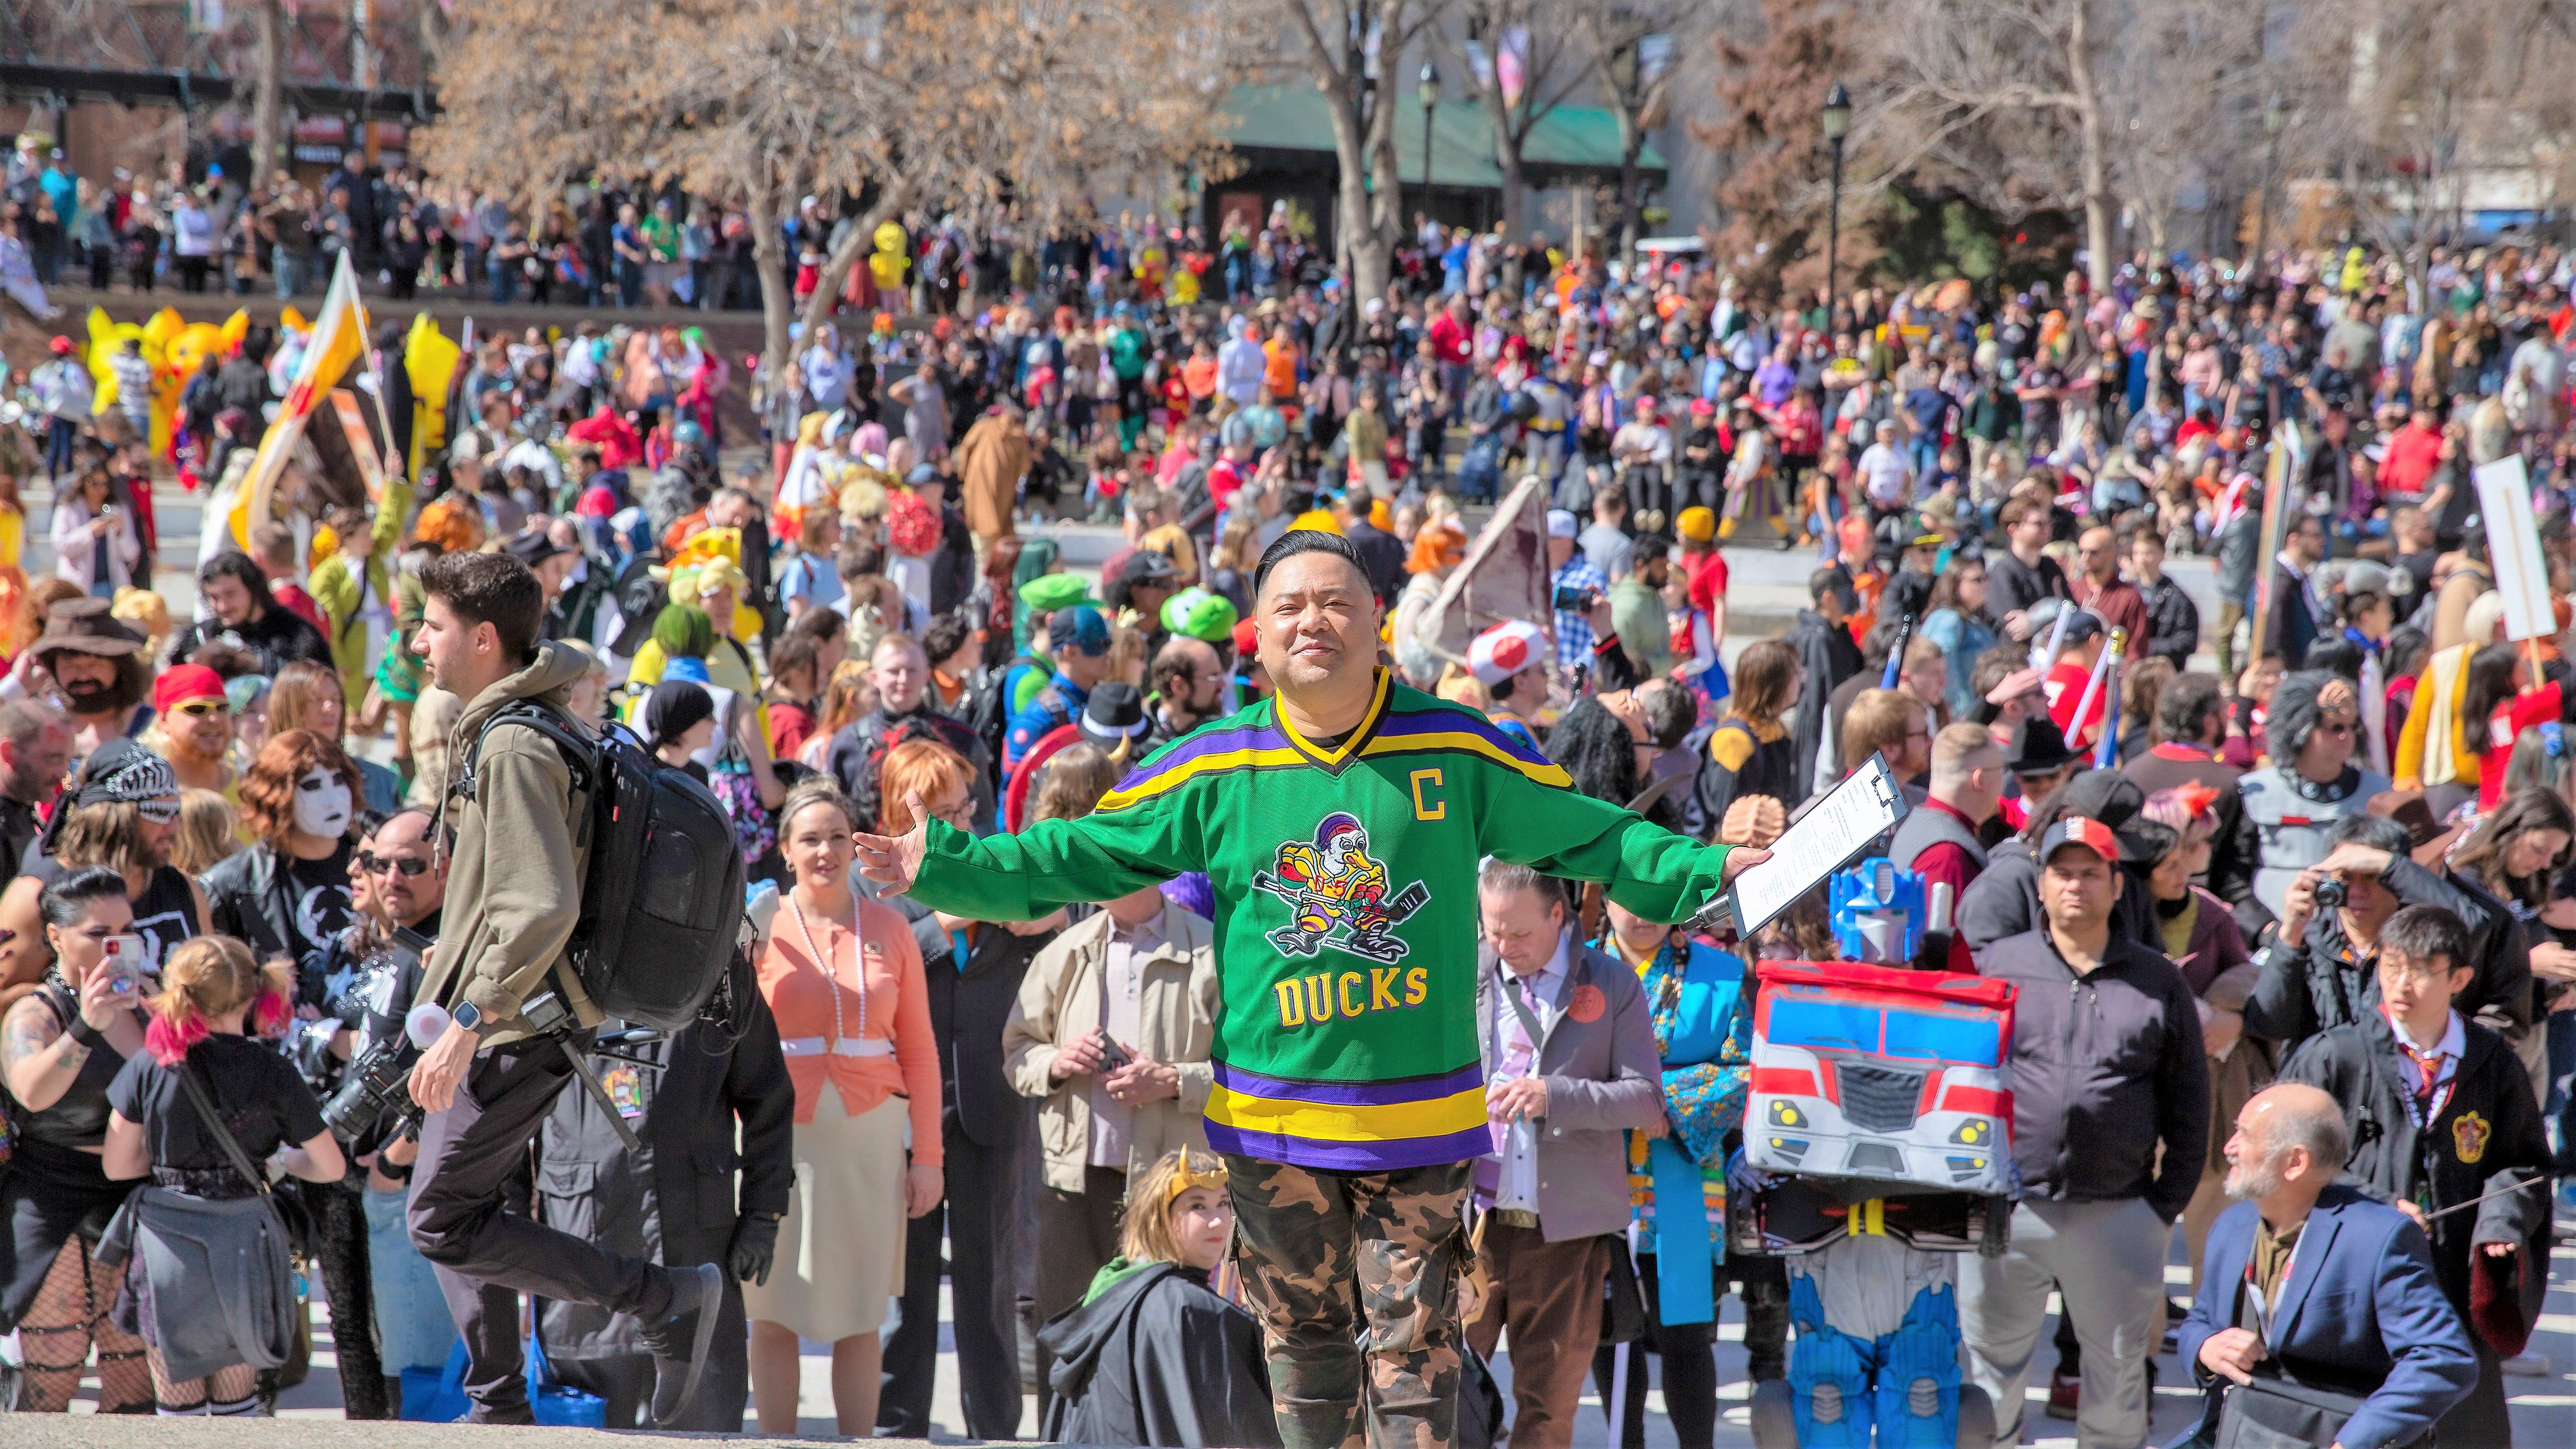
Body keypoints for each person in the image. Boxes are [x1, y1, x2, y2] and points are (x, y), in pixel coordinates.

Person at [854, 529, 1764, 1449]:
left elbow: (1589, 835)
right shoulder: (1215, 764)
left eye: (1335, 602)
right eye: (1288, 606)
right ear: (1254, 633)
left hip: (1417, 1127)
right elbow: (1076, 850)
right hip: (1271, 1130)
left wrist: (1712, 865)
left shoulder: (1453, 745)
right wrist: (938, 862)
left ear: (1377, 624)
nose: (1312, 621)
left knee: (1416, 1373)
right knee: (1301, 1369)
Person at [398, 551, 725, 1426]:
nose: (420, 643)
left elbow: (538, 903)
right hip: (513, 1019)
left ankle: (662, 1298)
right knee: (458, 1209)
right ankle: (501, 1401)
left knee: (440, 1220)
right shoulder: (530, 725)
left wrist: (469, 1020)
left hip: (512, 1025)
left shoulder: (511, 743)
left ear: (480, 638)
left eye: (431, 627)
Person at [1961, 815, 2209, 1449]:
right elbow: (1960, 1081)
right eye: (2062, 872)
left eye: (2090, 873)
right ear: (2041, 884)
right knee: (1990, 1374)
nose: (2075, 885)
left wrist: (2162, 1207)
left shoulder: (2158, 981)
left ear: (2117, 885)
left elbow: (2189, 1100)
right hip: (2007, 1209)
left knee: (2119, 1376)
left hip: (2119, 1211)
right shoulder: (1997, 967)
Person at [2273, 904, 2550, 1445]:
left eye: (2421, 969)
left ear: (2459, 979)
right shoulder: (2336, 1055)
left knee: (2456, 1418)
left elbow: (2521, 1165)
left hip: (2450, 1275)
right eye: (2391, 965)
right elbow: (2289, 1157)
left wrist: (2499, 1223)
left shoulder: (2490, 1061)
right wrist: (2373, 1200)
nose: (2401, 983)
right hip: (2354, 1278)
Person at [742, 780, 940, 1435]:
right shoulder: (758, 928)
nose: (824, 851)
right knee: (771, 1308)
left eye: (836, 837)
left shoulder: (891, 926)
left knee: (860, 1310)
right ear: (784, 850)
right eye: (810, 839)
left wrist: (928, 1160)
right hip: (777, 1138)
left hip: (871, 1141)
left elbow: (919, 1050)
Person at [876, 741, 1052, 1441]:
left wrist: (1046, 917)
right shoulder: (875, 880)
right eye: (939, 813)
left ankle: (995, 1430)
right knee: (908, 1292)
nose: (958, 825)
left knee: (989, 1289)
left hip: (992, 1105)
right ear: (900, 813)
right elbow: (870, 963)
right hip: (905, 1115)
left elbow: (1062, 918)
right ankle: (897, 1428)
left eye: (962, 809)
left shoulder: (992, 866)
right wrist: (936, 924)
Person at [1004, 866, 1219, 1420]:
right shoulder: (1067, 950)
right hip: (1073, 1183)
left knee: (1160, 1340)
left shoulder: (1209, 948)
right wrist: (1056, 1060)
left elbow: (1248, 1070)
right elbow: (1017, 1051)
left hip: (1169, 1186)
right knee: (1066, 1332)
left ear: (1142, 866)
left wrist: (1171, 1080)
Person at [1467, 862, 1666, 1449]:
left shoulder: (1609, 982)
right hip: (1470, 1223)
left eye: (1519, 934)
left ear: (1559, 915)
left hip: (1567, 1234)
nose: (1504, 948)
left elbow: (1644, 1097)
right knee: (1441, 1394)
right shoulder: (1468, 975)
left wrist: (1553, 1096)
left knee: (1548, 1411)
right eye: (1493, 932)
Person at [100, 934, 342, 1416]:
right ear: (254, 992)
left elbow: (117, 1165)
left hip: (166, 1244)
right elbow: (330, 1166)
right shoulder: (274, 1071)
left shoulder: (151, 1066)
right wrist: (281, 1163)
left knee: (177, 1411)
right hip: (245, 1241)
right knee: (239, 1407)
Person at [2176, 1084, 2477, 1449]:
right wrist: (2205, 1347)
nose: (2229, 1147)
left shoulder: (2377, 1237)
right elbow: (2200, 1319)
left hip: (2332, 1434)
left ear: (2295, 1162)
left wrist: (2354, 1441)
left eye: (2244, 1134)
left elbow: (2443, 1359)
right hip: (2239, 1430)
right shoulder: (2232, 1225)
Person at [0, 866, 152, 1412]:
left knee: (134, 1380)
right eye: (98, 933)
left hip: (130, 1194)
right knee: (53, 1374)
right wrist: (86, 1026)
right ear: (57, 937)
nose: (117, 946)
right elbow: (33, 1091)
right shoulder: (36, 1012)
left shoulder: (148, 1006)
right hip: (51, 1193)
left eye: (127, 930)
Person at [1035, 1148, 1282, 1449]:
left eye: (1222, 1203)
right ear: (1158, 1218)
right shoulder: (1190, 1309)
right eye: (1197, 1207)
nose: (1218, 1221)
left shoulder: (1114, 1284)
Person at [2243, 811, 2528, 1061]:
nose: (2357, 891)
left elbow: (2471, 929)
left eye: (2370, 876)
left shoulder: (2421, 940)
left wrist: (2391, 866)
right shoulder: (2311, 936)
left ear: (2398, 879)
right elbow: (2269, 1024)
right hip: (2324, 1096)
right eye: (2345, 878)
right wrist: (2290, 935)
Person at [0, 739, 206, 1002]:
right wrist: (86, 992)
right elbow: (4, 998)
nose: (174, 827)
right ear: (115, 817)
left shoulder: (184, 889)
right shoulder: (36, 895)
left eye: (177, 811)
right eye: (160, 812)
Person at [2217, 670, 2391, 940]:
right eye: (2335, 728)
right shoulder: (2254, 793)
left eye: (2351, 727)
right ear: (2300, 729)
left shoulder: (2379, 794)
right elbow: (2230, 877)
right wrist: (2265, 930)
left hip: (2357, 939)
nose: (2347, 737)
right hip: (2272, 938)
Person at [198, 729, 362, 964]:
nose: (332, 800)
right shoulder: (229, 886)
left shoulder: (380, 865)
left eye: (338, 781)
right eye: (313, 786)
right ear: (276, 796)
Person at [1891, 723, 2005, 972]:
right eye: (2002, 771)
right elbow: (1948, 962)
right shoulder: (1947, 855)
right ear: (1981, 779)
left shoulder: (1921, 824)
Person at [13, 598, 154, 752]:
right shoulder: (39, 726)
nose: (83, 677)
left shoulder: (153, 729)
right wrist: (17, 686)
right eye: (70, 665)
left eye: (95, 665)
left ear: (119, 667)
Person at [166, 551, 333, 675]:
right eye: (214, 597)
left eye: (231, 594)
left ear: (254, 590)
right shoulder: (199, 638)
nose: (223, 607)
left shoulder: (296, 637)